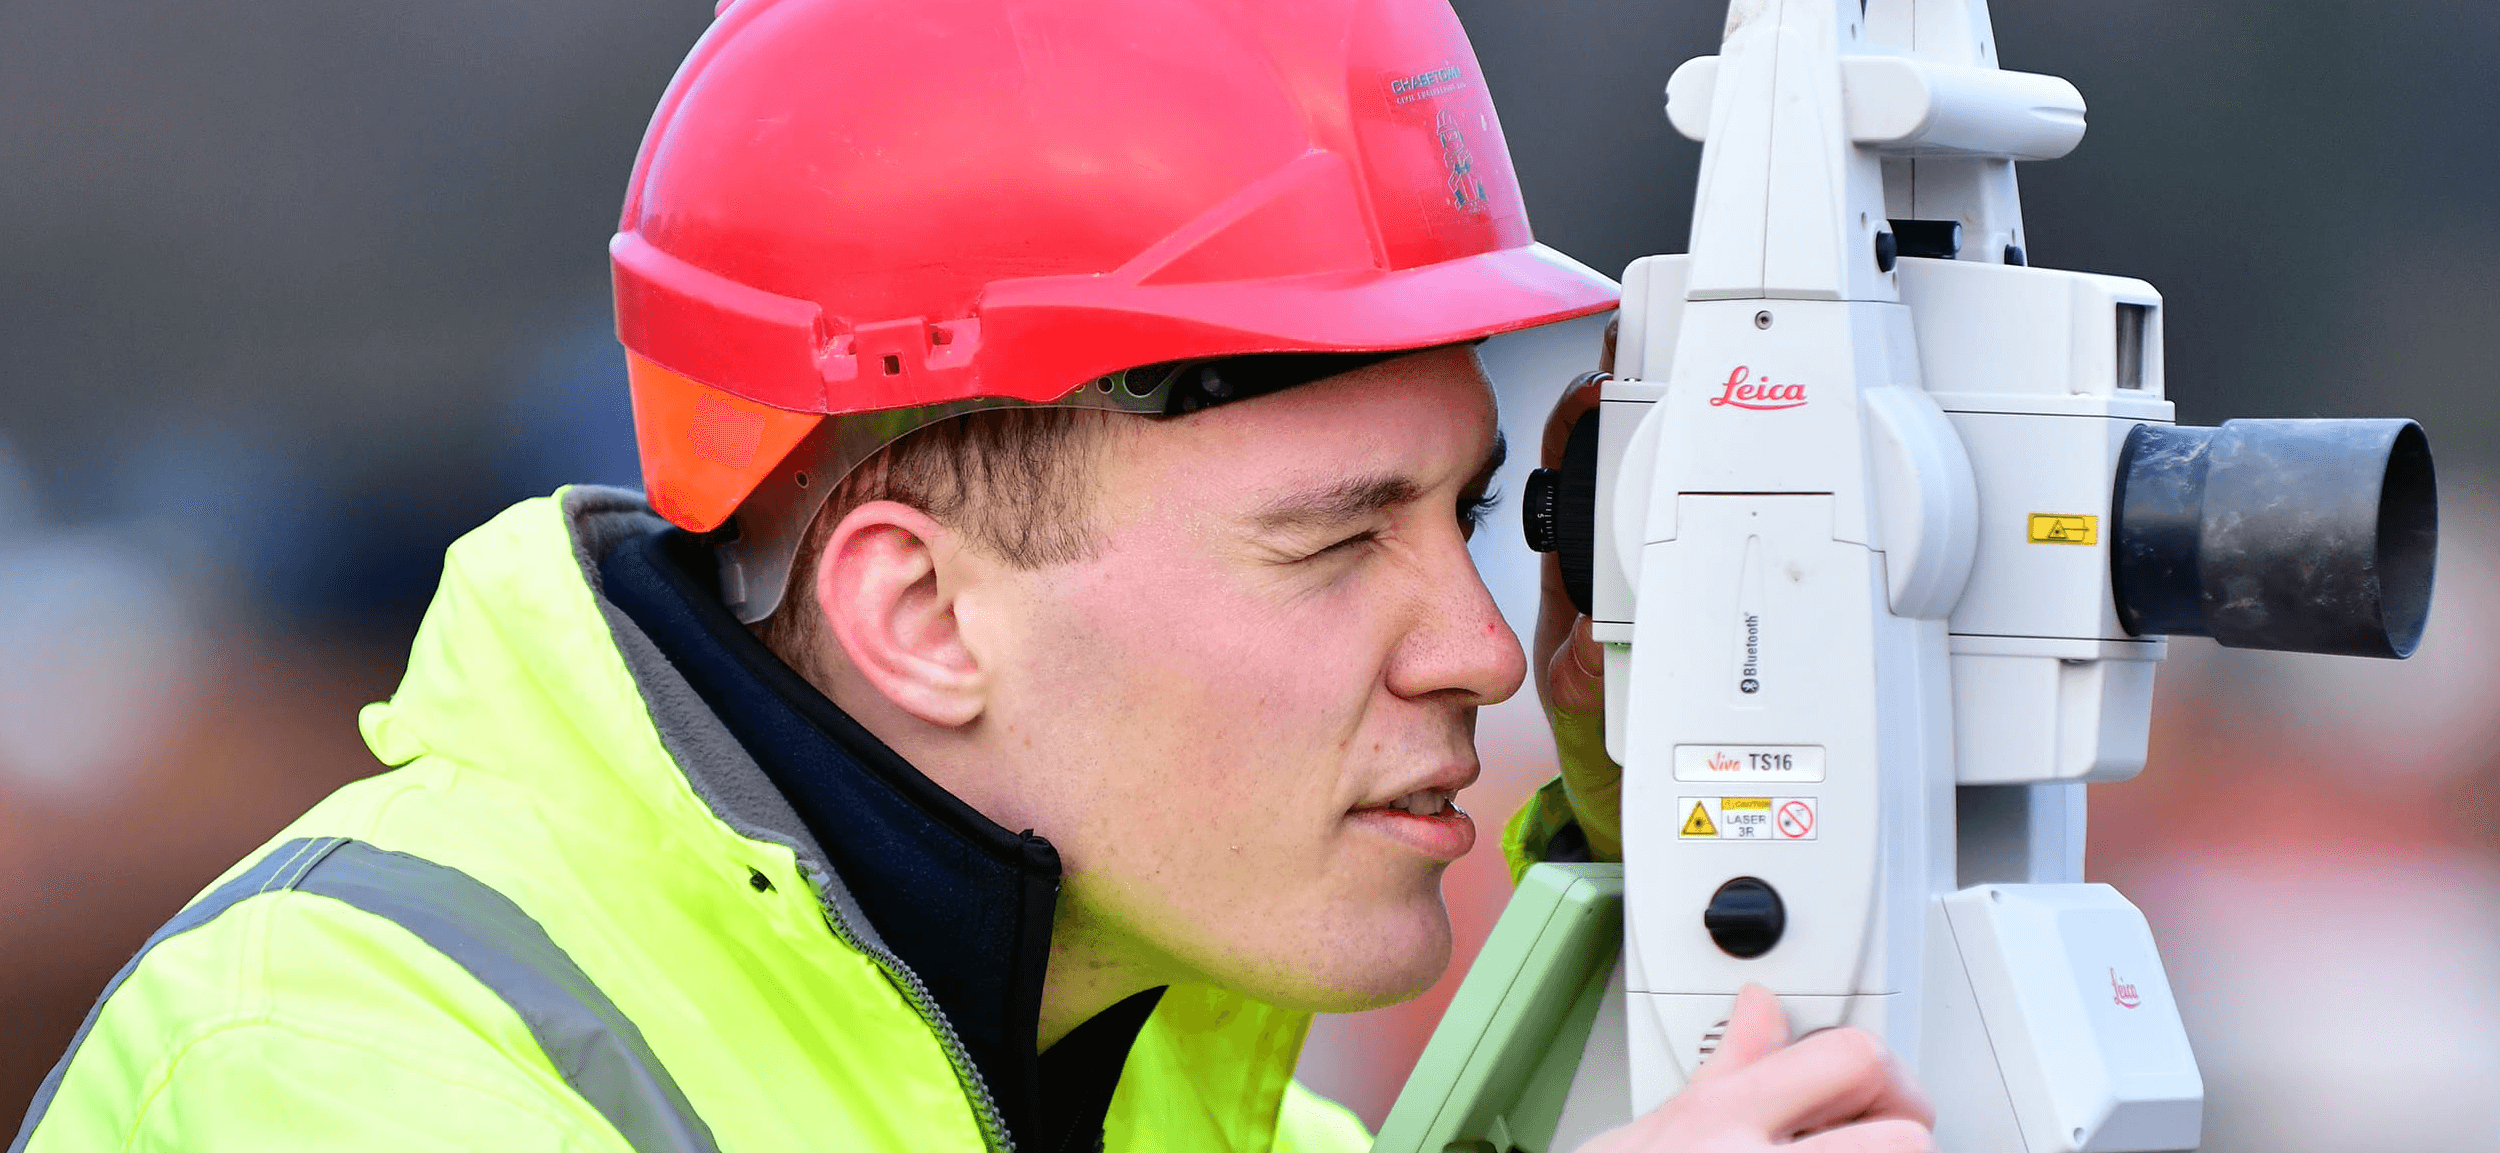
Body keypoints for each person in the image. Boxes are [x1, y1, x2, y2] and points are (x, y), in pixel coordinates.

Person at [11, 1, 1933, 1150]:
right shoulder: (346, 1064)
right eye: (1337, 540)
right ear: (919, 615)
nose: (1481, 653)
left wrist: (1656, 846)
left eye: (1465, 515)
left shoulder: (1161, 1078)